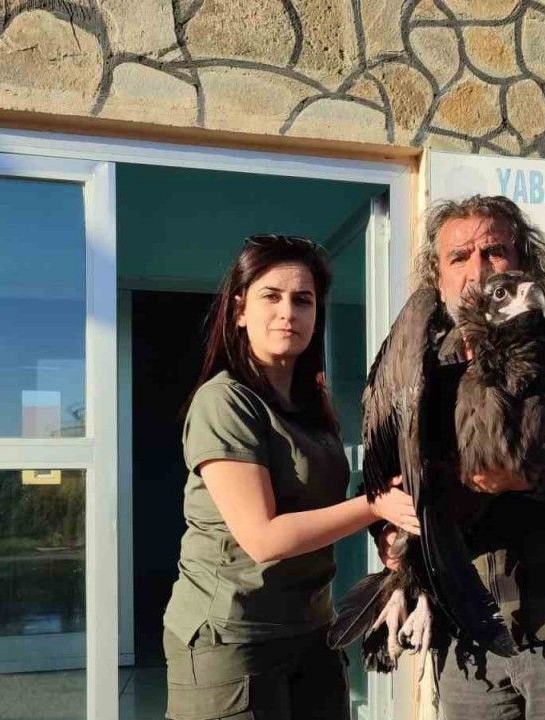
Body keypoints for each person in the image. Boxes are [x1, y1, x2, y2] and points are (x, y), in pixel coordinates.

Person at [376, 196, 545, 719]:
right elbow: (391, 472)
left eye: (494, 251)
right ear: (439, 277)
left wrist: (528, 477)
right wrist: (391, 528)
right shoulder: (424, 363)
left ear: (523, 260)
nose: (478, 269)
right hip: (466, 630)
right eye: (459, 257)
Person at [162, 234, 419, 720]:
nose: (288, 312)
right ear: (240, 310)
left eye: (303, 300)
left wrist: (386, 530)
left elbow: (327, 504)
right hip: (231, 638)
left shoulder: (311, 407)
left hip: (312, 630)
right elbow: (263, 538)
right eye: (271, 296)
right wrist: (374, 506)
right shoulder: (225, 401)